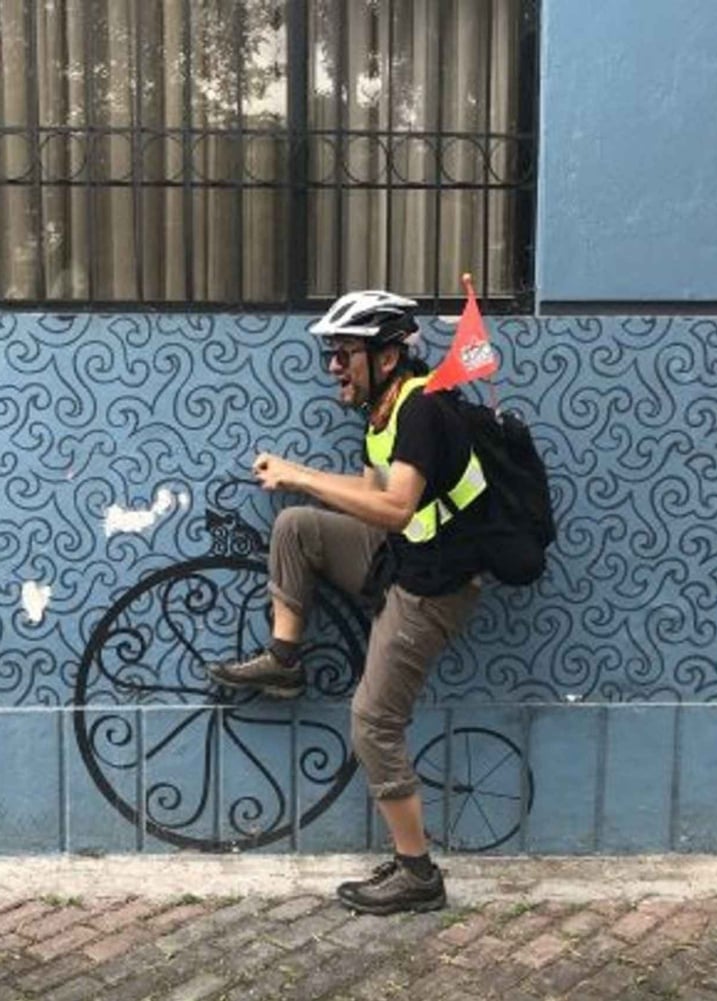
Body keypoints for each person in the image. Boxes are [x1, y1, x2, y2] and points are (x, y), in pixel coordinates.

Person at [209, 289, 492, 915]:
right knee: (298, 526)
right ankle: (286, 659)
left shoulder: (423, 412)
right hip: (400, 557)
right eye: (332, 355)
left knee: (372, 719)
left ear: (387, 358)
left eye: (344, 354)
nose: (334, 367)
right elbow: (368, 495)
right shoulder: (384, 413)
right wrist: (293, 475)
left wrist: (303, 477)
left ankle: (417, 874)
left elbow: (395, 509)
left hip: (434, 585)